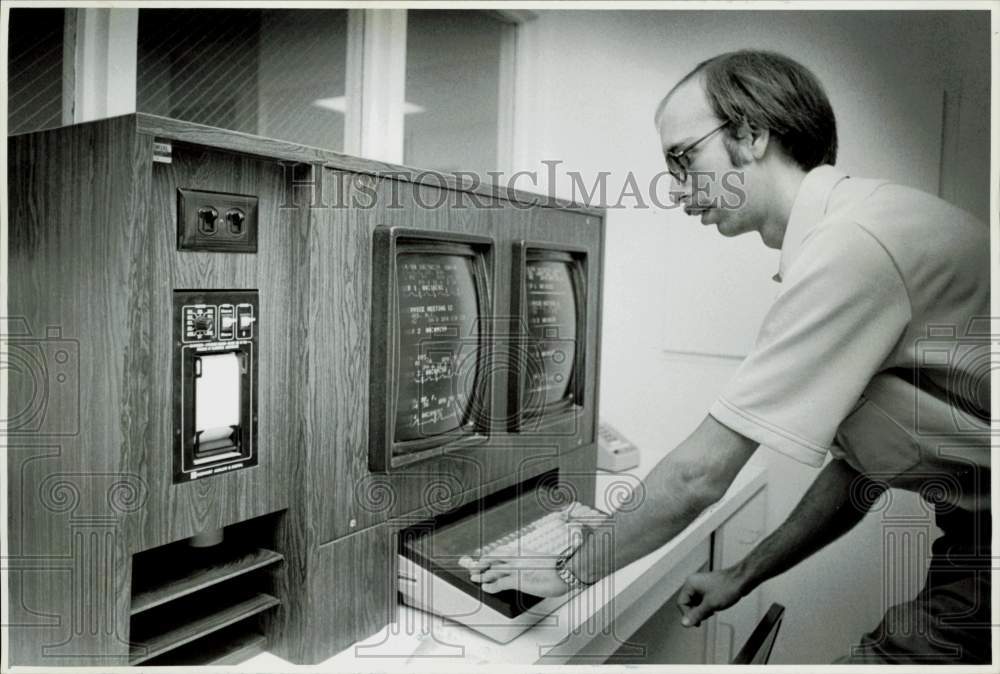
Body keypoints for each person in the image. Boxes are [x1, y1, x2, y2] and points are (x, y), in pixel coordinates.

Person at [467, 50, 990, 664]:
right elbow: (860, 472)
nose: (673, 187)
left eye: (683, 157)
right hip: (971, 528)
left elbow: (699, 475)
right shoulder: (862, 226)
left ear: (750, 133)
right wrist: (740, 574)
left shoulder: (855, 249)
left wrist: (568, 570)